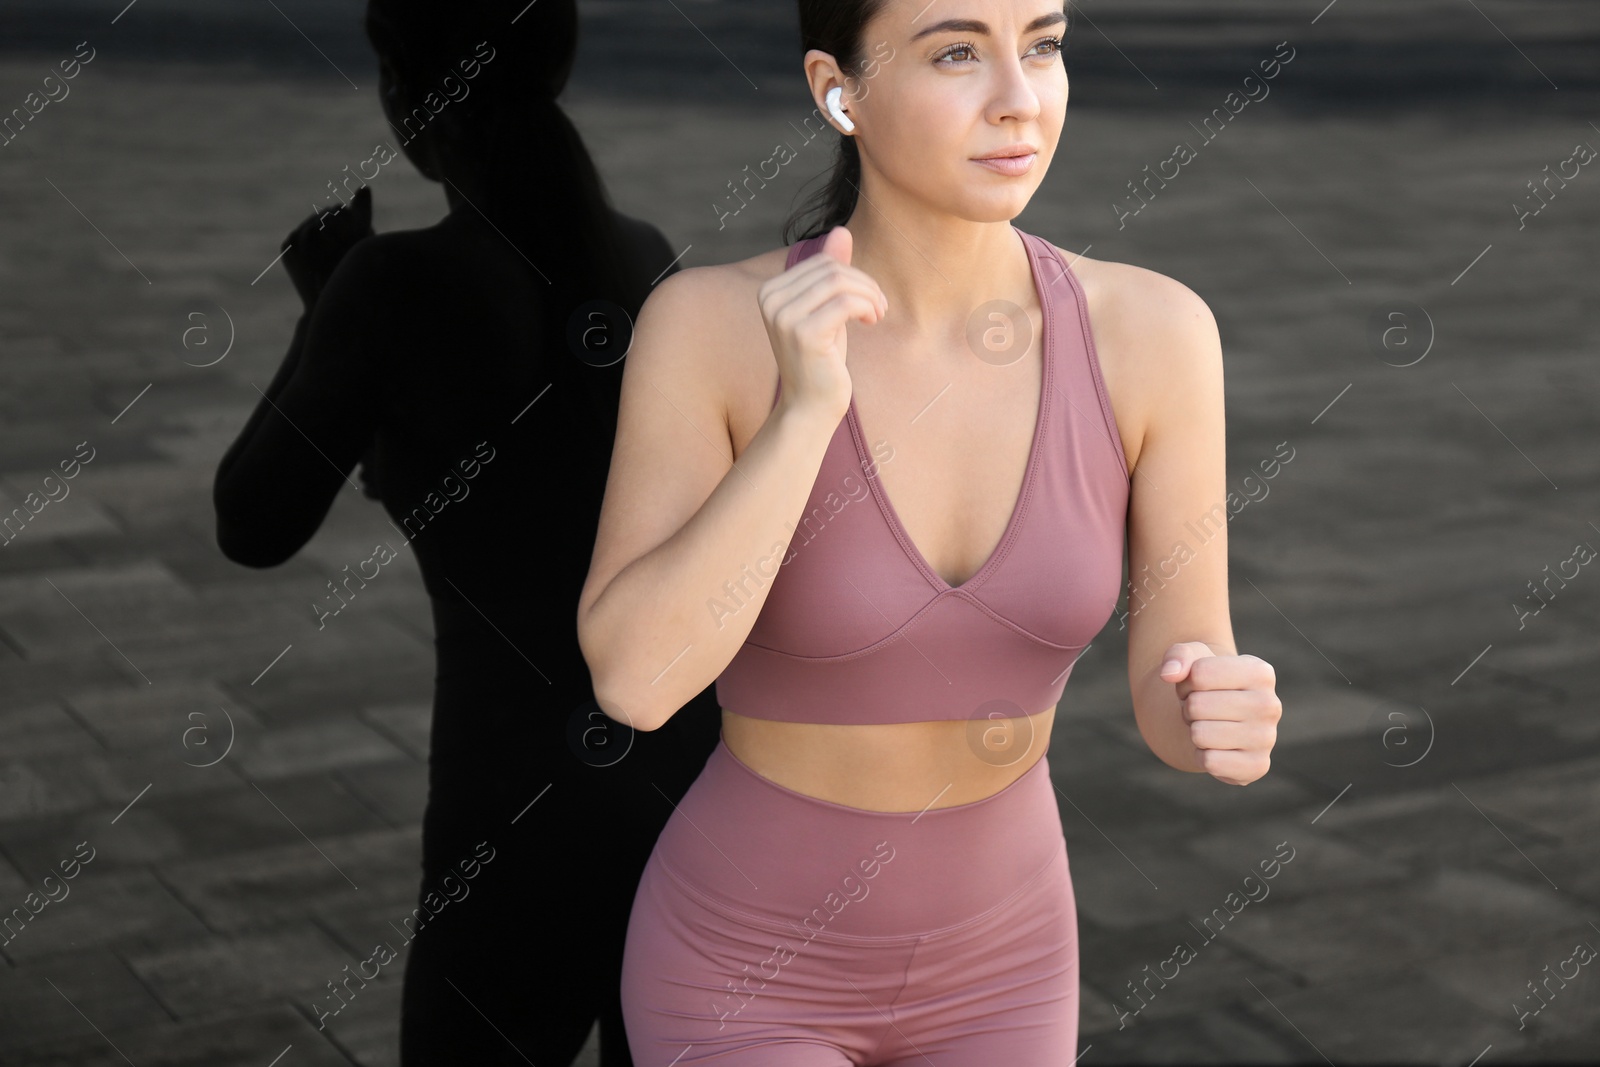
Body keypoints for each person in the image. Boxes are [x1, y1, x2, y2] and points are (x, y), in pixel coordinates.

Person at [577, 1, 1284, 1062]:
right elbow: (634, 681)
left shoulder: (1155, 333)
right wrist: (804, 412)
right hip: (744, 961)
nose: (1018, 98)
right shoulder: (707, 326)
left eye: (1041, 45)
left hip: (1007, 961)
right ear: (836, 88)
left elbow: (1176, 670)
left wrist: (1211, 712)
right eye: (957, 51)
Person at [211, 2, 722, 1064]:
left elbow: (251, 519)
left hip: (516, 807)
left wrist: (322, 318)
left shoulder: (391, 284)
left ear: (405, 99)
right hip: (692, 786)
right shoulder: (647, 257)